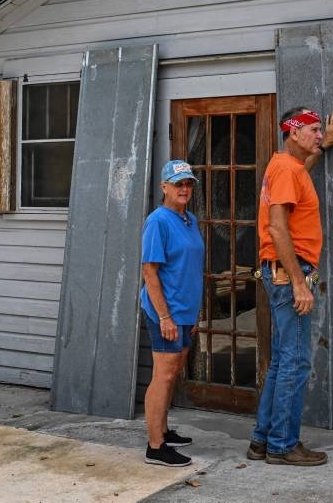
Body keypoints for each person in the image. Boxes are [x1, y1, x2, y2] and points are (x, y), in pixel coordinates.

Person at [247, 107, 333, 466]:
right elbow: (277, 229)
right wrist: (299, 283)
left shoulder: (286, 167)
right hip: (290, 271)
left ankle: (262, 441)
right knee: (296, 362)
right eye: (314, 130)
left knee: (282, 361)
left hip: (283, 271)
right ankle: (282, 445)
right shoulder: (287, 169)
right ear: (293, 132)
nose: (320, 135)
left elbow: (300, 174)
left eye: (322, 130)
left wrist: (323, 149)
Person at [141, 159, 204, 467]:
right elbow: (150, 272)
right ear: (164, 187)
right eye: (178, 184)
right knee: (163, 376)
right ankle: (155, 446)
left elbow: (189, 269)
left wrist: (193, 314)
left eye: (188, 183)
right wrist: (165, 317)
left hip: (184, 312)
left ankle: (164, 430)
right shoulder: (159, 221)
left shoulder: (189, 219)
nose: (184, 189)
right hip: (165, 313)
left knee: (172, 373)